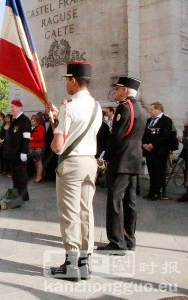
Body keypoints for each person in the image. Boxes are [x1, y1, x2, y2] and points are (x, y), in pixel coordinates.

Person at [46, 62, 102, 281]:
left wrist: (57, 125)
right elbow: (82, 126)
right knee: (86, 210)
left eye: (66, 80)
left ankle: (70, 263)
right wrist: (58, 115)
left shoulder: (69, 106)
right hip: (90, 161)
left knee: (69, 213)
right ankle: (84, 262)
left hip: (71, 163)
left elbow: (58, 146)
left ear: (73, 80)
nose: (65, 84)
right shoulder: (96, 107)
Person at [97, 76, 146, 254]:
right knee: (130, 201)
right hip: (134, 160)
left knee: (115, 201)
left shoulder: (124, 109)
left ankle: (117, 242)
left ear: (125, 90)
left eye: (118, 89)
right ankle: (129, 238)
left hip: (121, 161)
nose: (116, 92)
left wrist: (105, 156)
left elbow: (116, 137)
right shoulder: (140, 109)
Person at [0, 100, 31, 209]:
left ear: (19, 107)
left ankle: (22, 195)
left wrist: (24, 152)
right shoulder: (15, 120)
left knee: (21, 175)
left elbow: (26, 138)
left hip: (19, 154)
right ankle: (18, 193)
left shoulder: (25, 120)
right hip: (13, 154)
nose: (11, 109)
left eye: (13, 107)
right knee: (15, 176)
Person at [142, 102, 174, 200]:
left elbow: (165, 136)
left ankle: (157, 192)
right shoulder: (149, 121)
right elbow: (144, 133)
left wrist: (153, 145)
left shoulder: (166, 120)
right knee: (151, 172)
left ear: (158, 109)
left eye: (151, 109)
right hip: (149, 151)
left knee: (158, 172)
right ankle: (151, 192)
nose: (149, 111)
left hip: (160, 151)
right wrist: (144, 144)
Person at [29, 114, 46, 183]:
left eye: (33, 120)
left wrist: (31, 138)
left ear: (37, 121)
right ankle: (38, 175)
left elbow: (40, 138)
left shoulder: (40, 127)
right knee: (36, 162)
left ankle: (39, 176)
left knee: (38, 162)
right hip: (34, 147)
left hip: (38, 147)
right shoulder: (35, 127)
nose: (31, 121)